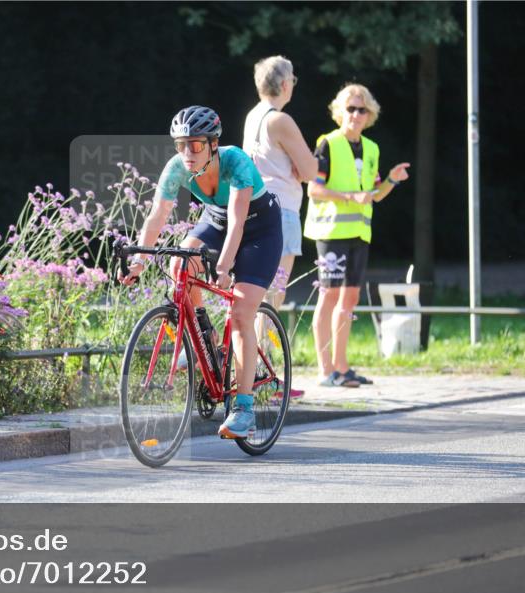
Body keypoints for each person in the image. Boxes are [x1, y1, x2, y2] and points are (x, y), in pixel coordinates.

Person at [120, 106, 283, 439]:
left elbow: (238, 222)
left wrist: (224, 266)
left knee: (240, 313)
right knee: (179, 264)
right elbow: (156, 217)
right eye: (180, 145)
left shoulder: (235, 161)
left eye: (194, 145)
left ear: (212, 144)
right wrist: (138, 261)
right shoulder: (177, 167)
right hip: (216, 221)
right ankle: (204, 341)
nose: (186, 153)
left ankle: (244, 407)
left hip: (258, 230)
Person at [304, 84, 410, 387]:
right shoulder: (327, 143)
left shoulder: (372, 148)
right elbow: (314, 188)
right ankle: (326, 371)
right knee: (330, 296)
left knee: (350, 298)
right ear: (340, 112)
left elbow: (375, 195)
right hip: (331, 231)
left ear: (370, 114)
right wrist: (350, 196)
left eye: (361, 109)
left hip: (359, 234)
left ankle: (342, 366)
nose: (356, 114)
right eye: (350, 108)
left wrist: (392, 179)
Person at [242, 56, 318, 400]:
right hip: (283, 212)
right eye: (293, 79)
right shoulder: (281, 120)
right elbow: (311, 169)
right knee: (274, 295)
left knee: (255, 294)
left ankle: (254, 370)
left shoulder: (252, 116)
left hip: (253, 209)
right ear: (284, 84)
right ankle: (266, 374)